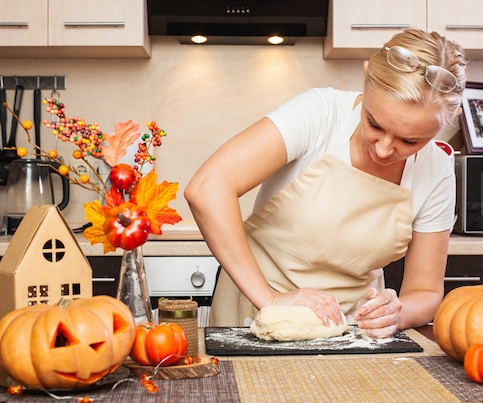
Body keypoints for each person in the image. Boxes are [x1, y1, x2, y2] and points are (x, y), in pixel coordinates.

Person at [185, 28, 468, 338]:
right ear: (366, 76)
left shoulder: (437, 170)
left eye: (410, 140)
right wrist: (272, 300)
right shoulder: (320, 114)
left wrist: (398, 313)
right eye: (374, 123)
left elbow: (425, 291)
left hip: (351, 335)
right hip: (254, 315)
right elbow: (207, 187)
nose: (385, 149)